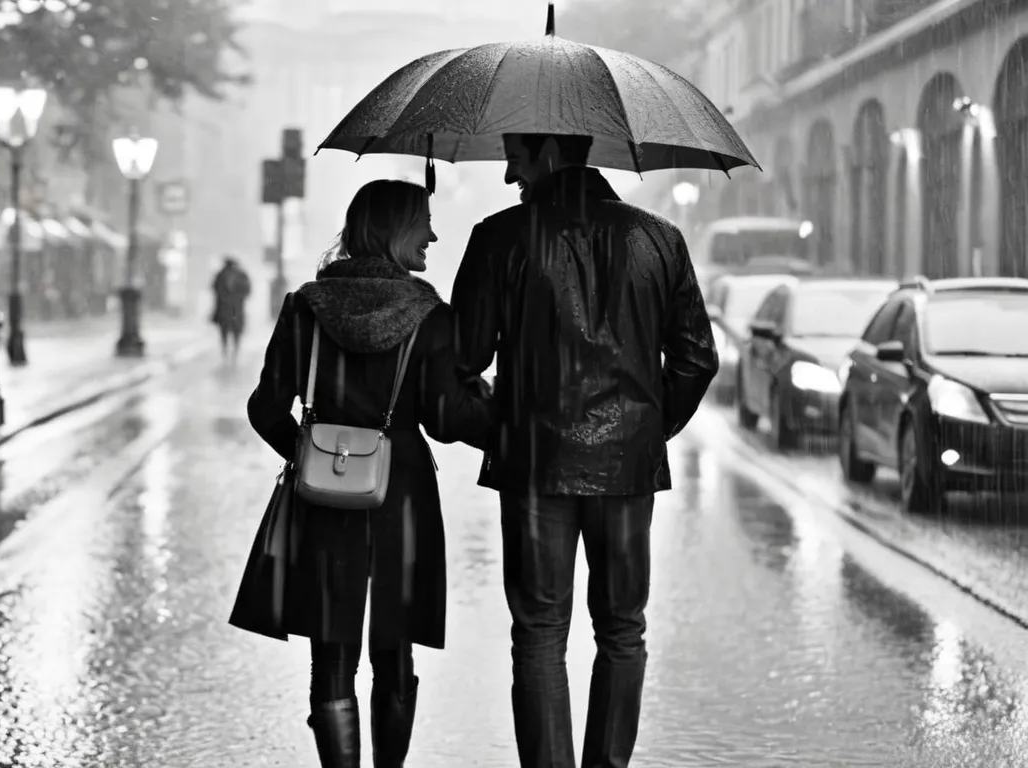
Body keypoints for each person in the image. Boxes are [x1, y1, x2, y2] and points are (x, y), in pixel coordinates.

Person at [450, 133, 719, 768]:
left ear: (547, 155)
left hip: (536, 468)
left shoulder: (500, 238)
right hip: (626, 473)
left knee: (540, 633)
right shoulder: (658, 239)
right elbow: (696, 359)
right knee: (623, 629)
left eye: (515, 153)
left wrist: (504, 425)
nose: (509, 169)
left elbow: (459, 361)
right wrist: (644, 432)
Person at [238, 179, 493, 767]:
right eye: (423, 221)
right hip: (401, 495)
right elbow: (446, 417)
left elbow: (266, 408)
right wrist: (503, 413)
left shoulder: (306, 307)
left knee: (331, 653)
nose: (432, 233)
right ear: (395, 231)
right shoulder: (431, 317)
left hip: (323, 496)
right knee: (394, 649)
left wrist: (311, 458)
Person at [211, 255, 252, 365]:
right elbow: (247, 290)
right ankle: (232, 352)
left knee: (227, 330)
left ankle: (229, 352)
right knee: (233, 330)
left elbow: (215, 288)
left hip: (228, 308)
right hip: (234, 308)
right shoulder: (240, 275)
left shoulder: (221, 275)